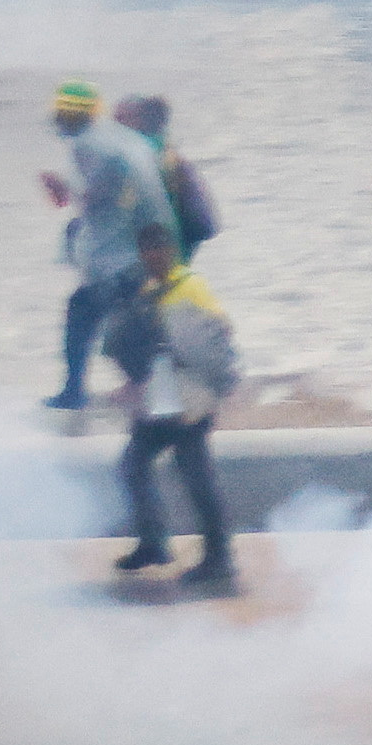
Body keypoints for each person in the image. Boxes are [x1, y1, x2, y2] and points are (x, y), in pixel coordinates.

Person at [100, 221, 242, 591]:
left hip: (190, 400)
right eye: (146, 252)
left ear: (170, 251)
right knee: (132, 466)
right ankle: (153, 544)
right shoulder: (146, 290)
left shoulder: (191, 285)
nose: (152, 257)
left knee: (196, 477)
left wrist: (196, 371)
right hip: (159, 398)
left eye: (158, 250)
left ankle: (219, 558)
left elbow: (221, 330)